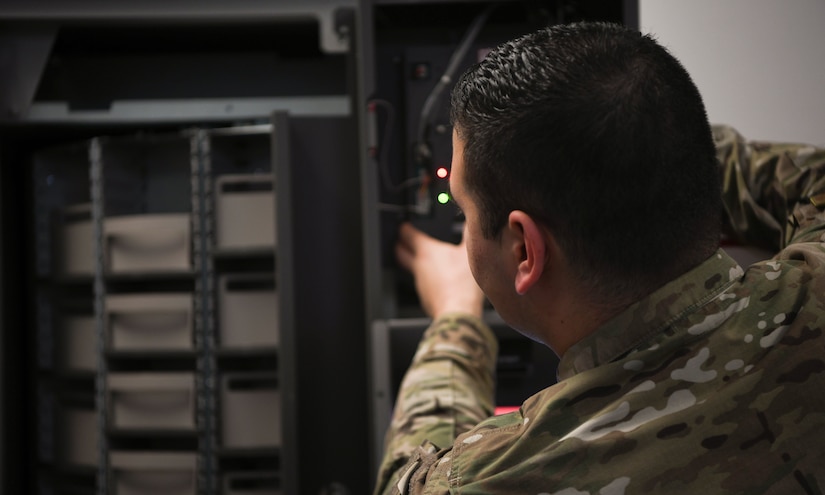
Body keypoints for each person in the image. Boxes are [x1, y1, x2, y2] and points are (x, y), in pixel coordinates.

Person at [374, 21, 825, 495]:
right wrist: (649, 147)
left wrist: (453, 323)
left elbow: (407, 482)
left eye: (462, 208)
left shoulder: (499, 479)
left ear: (525, 250)